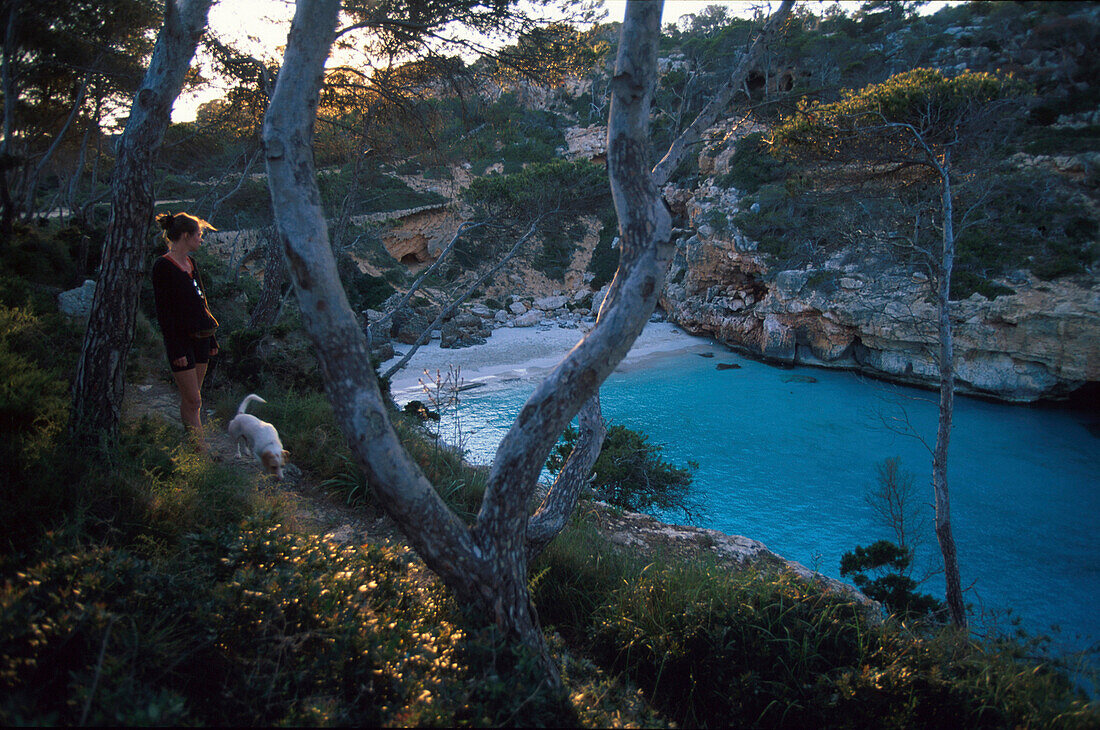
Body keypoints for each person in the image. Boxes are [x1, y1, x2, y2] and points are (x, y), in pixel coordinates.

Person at [151, 211, 220, 449]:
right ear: (184, 236)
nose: (201, 239)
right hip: (181, 342)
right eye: (198, 235)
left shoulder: (191, 263)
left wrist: (211, 340)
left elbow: (202, 304)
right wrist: (176, 348)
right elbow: (165, 314)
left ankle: (193, 444)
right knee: (193, 398)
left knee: (194, 401)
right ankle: (200, 451)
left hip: (201, 338)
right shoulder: (163, 267)